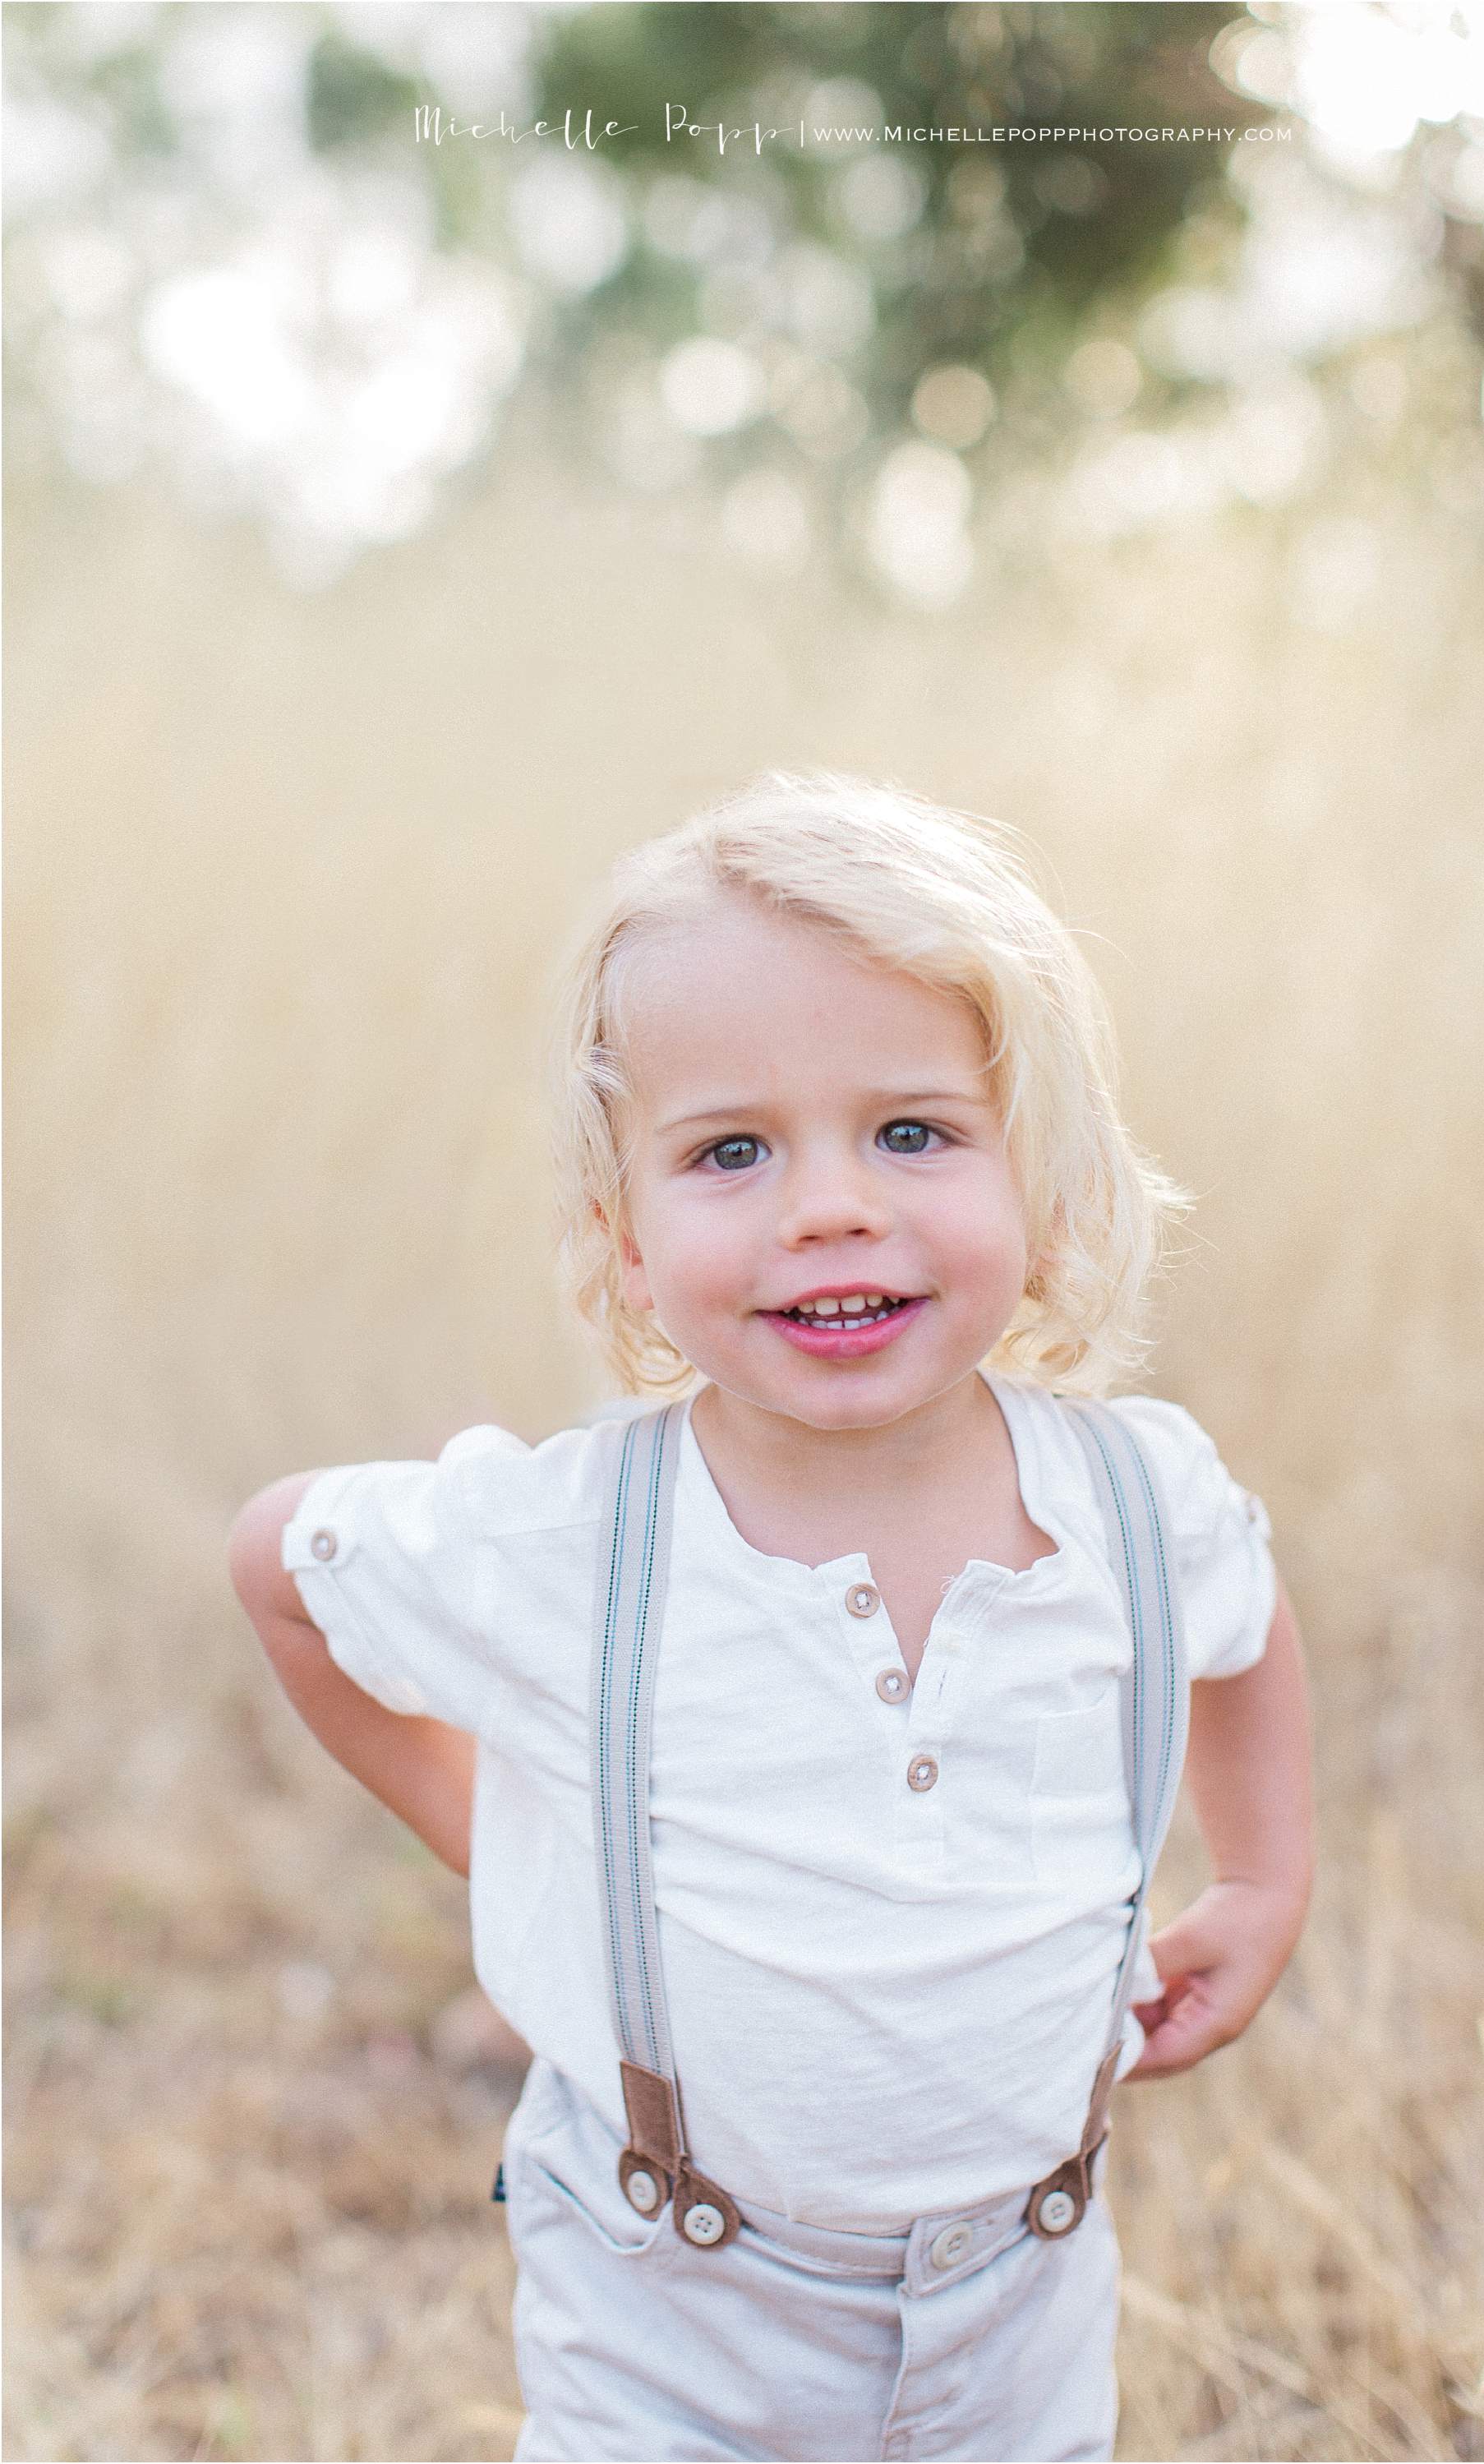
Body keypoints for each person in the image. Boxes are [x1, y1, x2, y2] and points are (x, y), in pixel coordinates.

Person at [228, 771, 1313, 2464]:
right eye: (730, 1148)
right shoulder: (571, 1537)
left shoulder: (1132, 1497)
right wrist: (508, 1841)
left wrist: (1259, 1874)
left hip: (1022, 2286)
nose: (829, 1203)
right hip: (671, 2300)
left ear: (1042, 1174)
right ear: (624, 1229)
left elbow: (1243, 1628)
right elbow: (282, 1561)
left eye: (912, 1130)